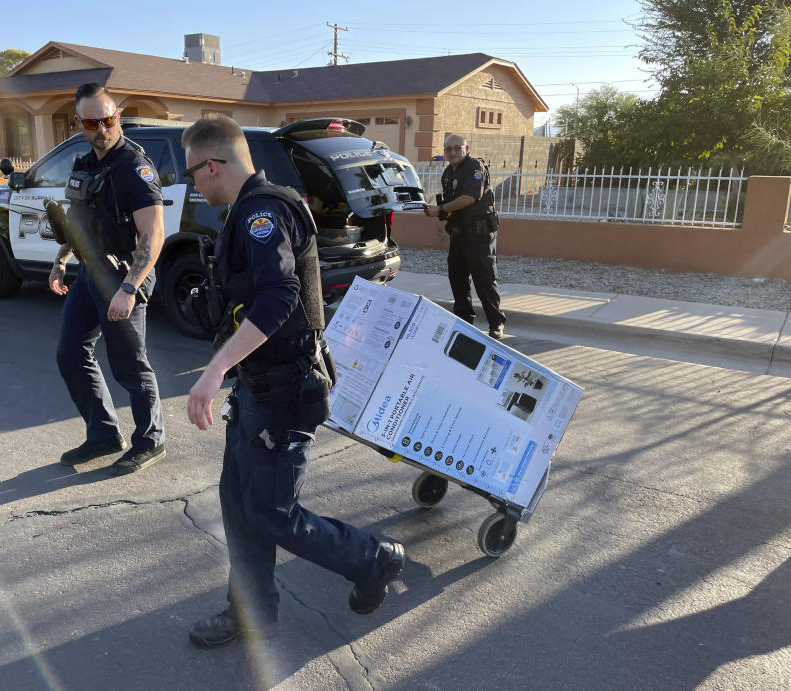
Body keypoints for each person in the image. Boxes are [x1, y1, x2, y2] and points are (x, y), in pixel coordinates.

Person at [182, 114, 405, 648]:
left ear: (212, 165)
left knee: (274, 514)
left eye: (193, 172)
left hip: (283, 393)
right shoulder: (252, 209)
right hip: (259, 387)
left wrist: (214, 370)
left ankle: (373, 560)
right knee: (239, 504)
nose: (191, 183)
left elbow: (279, 300)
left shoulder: (264, 213)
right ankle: (251, 613)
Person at [49, 83, 166, 475]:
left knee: (130, 365)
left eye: (109, 118)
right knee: (70, 353)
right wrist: (61, 259)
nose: (103, 128)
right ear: (79, 123)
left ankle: (151, 439)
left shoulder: (134, 167)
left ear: (117, 115)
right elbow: (79, 222)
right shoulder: (85, 164)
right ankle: (102, 433)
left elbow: (153, 235)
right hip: (88, 273)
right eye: (92, 122)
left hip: (123, 276)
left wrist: (130, 289)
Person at [424, 134, 507, 339]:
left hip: (479, 235)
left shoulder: (474, 168)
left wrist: (441, 208)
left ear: (466, 148)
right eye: (448, 149)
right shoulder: (447, 173)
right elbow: (452, 206)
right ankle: (463, 321)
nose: (452, 152)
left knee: (484, 279)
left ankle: (496, 323)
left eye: (457, 148)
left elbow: (470, 198)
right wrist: (437, 211)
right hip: (459, 234)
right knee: (458, 279)